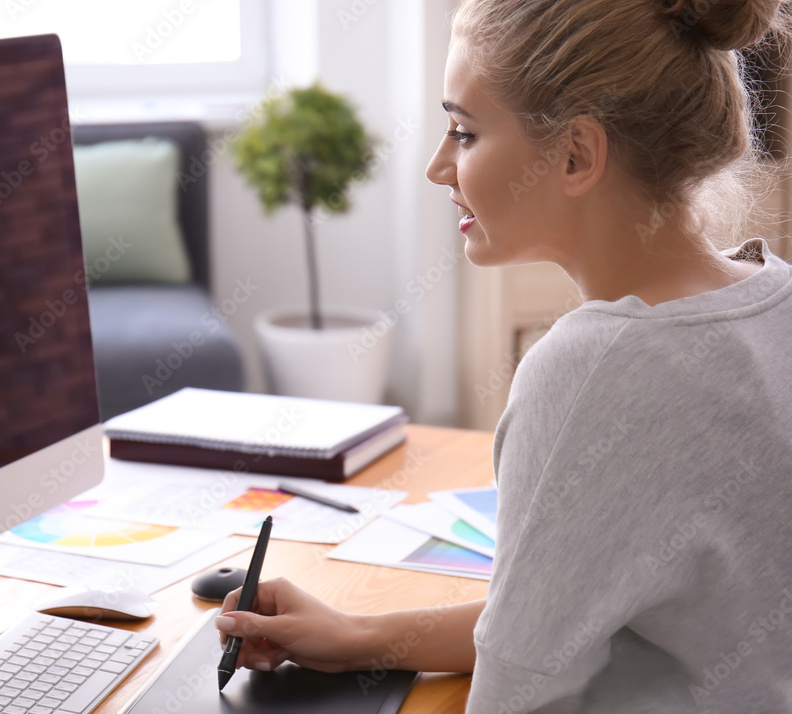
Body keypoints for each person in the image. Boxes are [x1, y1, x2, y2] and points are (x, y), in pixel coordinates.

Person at [217, 0, 792, 711]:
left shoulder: (594, 371)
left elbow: (519, 689)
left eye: (464, 132)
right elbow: (559, 621)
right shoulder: (777, 298)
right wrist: (361, 635)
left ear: (576, 155)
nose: (437, 166)